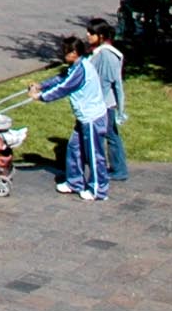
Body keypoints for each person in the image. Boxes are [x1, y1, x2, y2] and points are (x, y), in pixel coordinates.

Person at [28, 35, 112, 201]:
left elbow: (64, 87)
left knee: (94, 154)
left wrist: (40, 97)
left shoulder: (81, 70)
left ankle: (98, 190)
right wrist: (42, 85)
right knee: (74, 148)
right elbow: (61, 78)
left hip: (93, 118)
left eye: (65, 52)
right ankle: (75, 183)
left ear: (74, 53)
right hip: (83, 118)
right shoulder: (75, 66)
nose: (63, 55)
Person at [85, 22, 130, 182]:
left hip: (103, 105)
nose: (88, 35)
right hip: (98, 103)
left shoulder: (107, 55)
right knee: (108, 135)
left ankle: (118, 169)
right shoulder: (97, 52)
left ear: (101, 36)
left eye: (91, 33)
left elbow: (114, 83)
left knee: (109, 136)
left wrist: (120, 110)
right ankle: (115, 168)